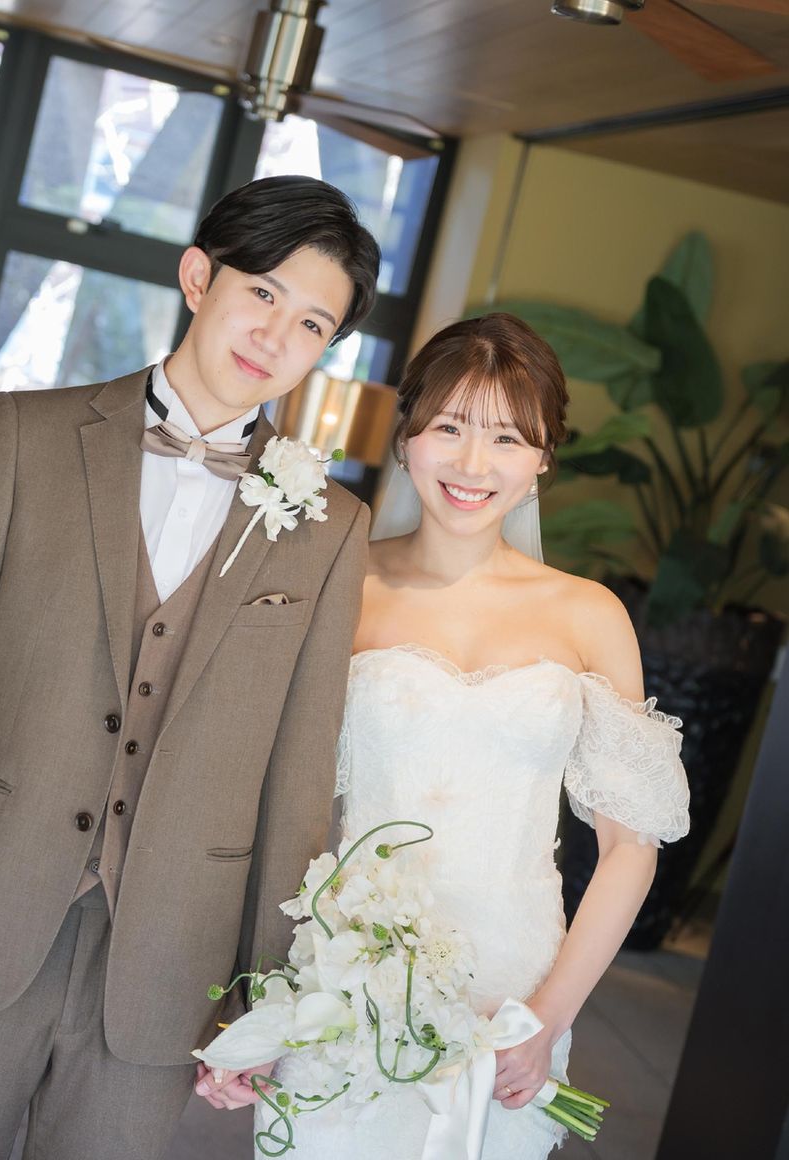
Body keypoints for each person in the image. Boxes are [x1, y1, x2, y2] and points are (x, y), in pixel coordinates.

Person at [0, 175, 381, 1160]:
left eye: (311, 323)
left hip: (171, 964)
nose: (275, 335)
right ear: (198, 277)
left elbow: (297, 782)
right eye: (261, 292)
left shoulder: (331, 527)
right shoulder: (23, 436)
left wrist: (269, 997)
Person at [239, 313, 690, 1157]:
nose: (473, 465)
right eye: (449, 427)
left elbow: (630, 848)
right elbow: (271, 801)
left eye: (508, 438)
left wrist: (548, 1016)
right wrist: (257, 1003)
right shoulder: (342, 585)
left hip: (514, 993)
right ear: (407, 435)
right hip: (343, 977)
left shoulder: (589, 615)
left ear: (543, 458)